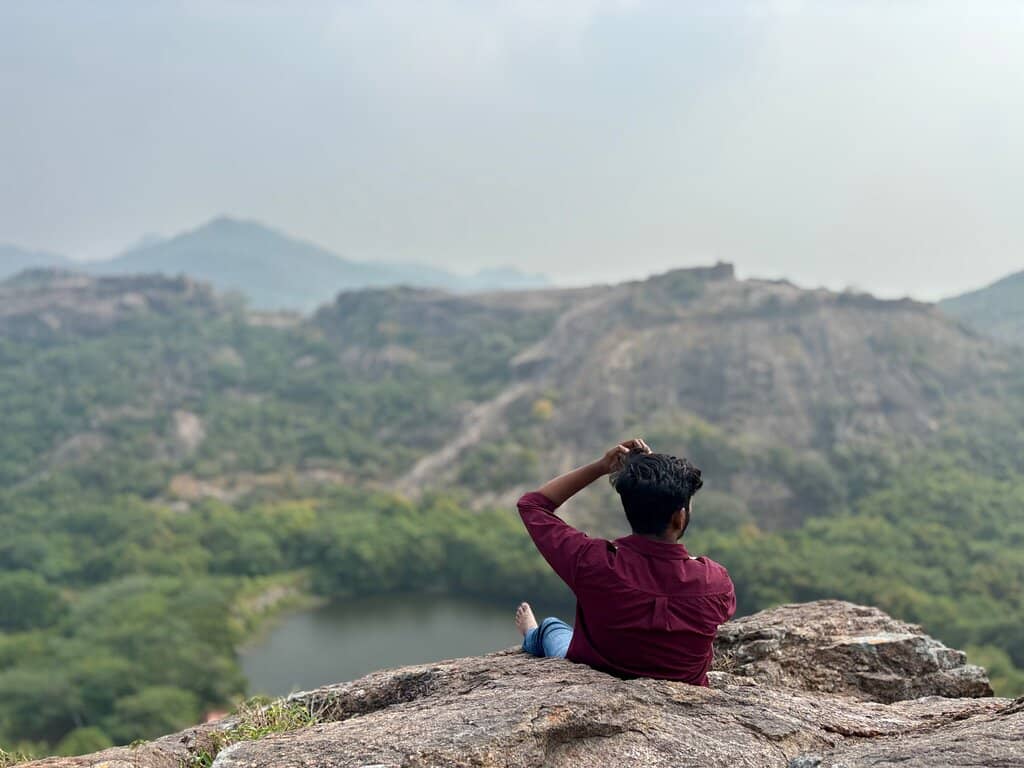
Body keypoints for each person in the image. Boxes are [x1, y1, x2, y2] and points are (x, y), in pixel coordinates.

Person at [515, 438, 735, 685]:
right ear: (679, 518)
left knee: (552, 628)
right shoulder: (715, 582)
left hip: (595, 674)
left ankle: (532, 633)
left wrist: (601, 467)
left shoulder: (593, 562)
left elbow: (532, 505)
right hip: (681, 693)